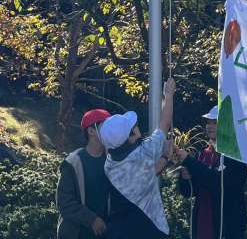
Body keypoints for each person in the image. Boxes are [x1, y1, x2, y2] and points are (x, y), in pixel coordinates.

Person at [99, 78, 176, 239]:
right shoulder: (144, 153)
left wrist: (164, 158)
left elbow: (147, 173)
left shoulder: (109, 164)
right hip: (150, 228)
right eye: (134, 127)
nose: (137, 127)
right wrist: (168, 95)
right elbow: (164, 124)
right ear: (131, 137)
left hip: (120, 231)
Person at [175, 106, 247, 239]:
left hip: (227, 228)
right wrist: (185, 178)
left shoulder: (235, 155)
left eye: (215, 122)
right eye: (208, 122)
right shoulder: (203, 153)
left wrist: (189, 161)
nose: (210, 126)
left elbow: (218, 183)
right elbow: (188, 192)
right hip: (203, 224)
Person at [56, 108, 111, 239]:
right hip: (77, 234)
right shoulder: (73, 162)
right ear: (91, 131)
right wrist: (92, 219)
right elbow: (64, 202)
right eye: (106, 126)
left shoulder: (112, 160)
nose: (111, 130)